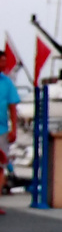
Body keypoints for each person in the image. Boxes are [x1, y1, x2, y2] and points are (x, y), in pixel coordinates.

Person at [0, 68, 19, 214]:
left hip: (2, 131)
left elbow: (12, 108)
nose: (4, 64)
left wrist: (14, 130)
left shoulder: (7, 82)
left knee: (1, 166)